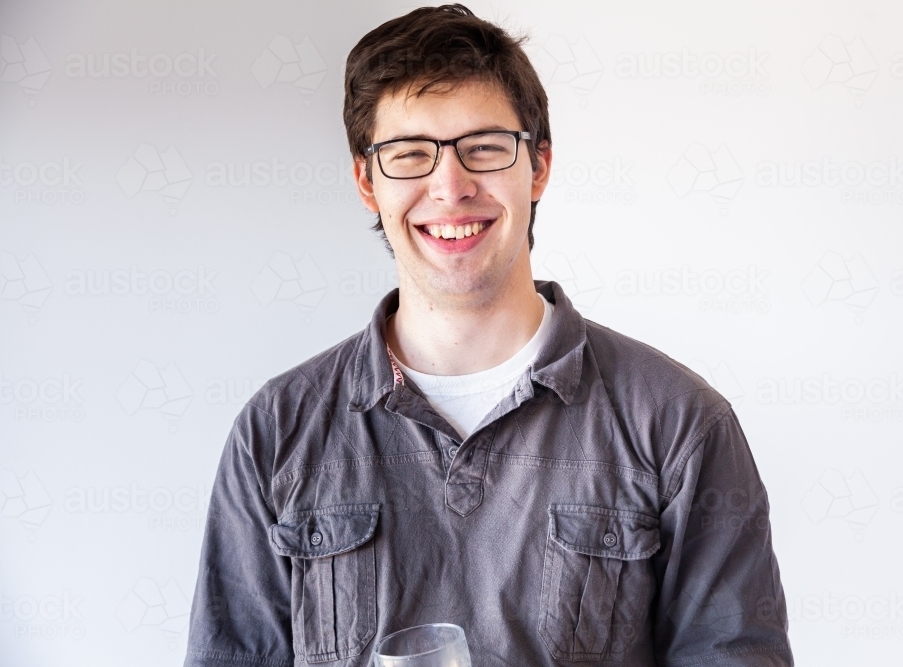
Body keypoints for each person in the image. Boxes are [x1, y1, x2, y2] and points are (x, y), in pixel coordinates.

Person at [184, 5, 794, 666]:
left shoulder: (679, 426)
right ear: (367, 181)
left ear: (537, 167)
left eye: (484, 147)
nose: (450, 186)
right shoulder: (275, 435)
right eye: (410, 153)